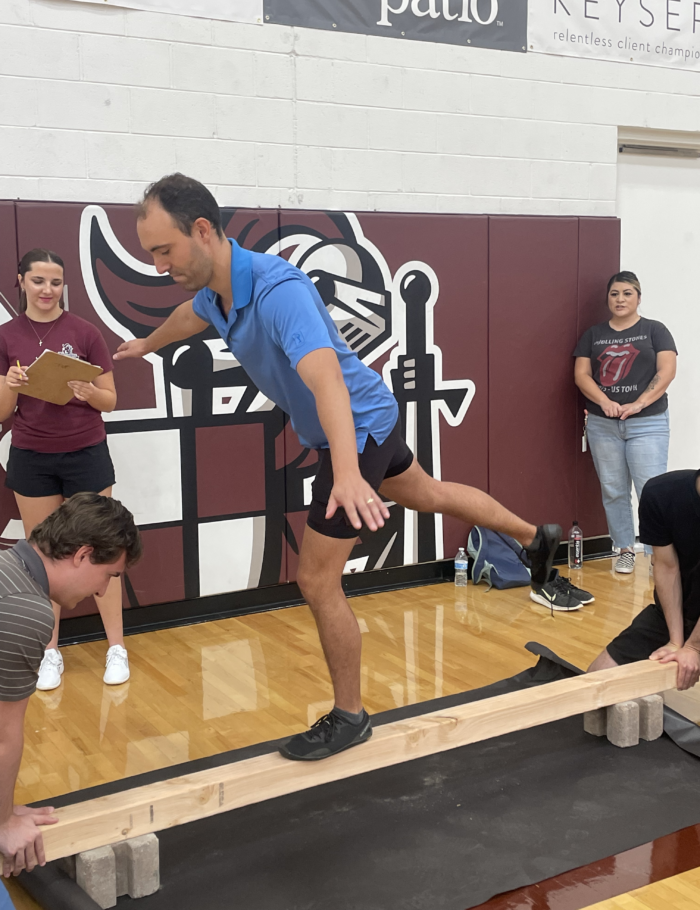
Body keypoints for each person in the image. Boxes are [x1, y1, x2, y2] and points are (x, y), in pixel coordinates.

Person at [114, 173, 565, 762]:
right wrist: (147, 344)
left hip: (354, 428)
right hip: (367, 419)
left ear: (202, 232)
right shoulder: (216, 293)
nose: (157, 264)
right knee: (427, 493)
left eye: (163, 250)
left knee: (317, 580)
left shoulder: (279, 291)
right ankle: (537, 539)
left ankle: (350, 715)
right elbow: (189, 317)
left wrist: (348, 472)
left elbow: (325, 377)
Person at [0, 249, 129, 690]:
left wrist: (87, 391)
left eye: (55, 282)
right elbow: (2, 410)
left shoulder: (84, 331)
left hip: (85, 452)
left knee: (101, 549)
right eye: (38, 281)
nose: (47, 290)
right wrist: (9, 386)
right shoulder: (6, 336)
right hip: (31, 456)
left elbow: (110, 400)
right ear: (21, 281)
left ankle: (116, 647)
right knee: (43, 556)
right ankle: (49, 651)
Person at [0, 493, 142, 883]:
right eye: (109, 575)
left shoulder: (8, 565)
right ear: (82, 554)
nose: (101, 592)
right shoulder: (27, 610)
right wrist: (4, 822)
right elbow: (3, 738)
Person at [574, 271, 677, 575]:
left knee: (651, 490)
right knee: (614, 489)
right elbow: (581, 375)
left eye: (627, 293)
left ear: (638, 297)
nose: (620, 299)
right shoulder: (593, 334)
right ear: (608, 299)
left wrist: (639, 403)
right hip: (602, 425)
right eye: (615, 294)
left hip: (648, 423)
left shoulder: (654, 330)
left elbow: (667, 370)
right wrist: (605, 402)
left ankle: (659, 553)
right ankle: (625, 549)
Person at [588, 469, 700, 692]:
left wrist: (694, 648)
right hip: (677, 611)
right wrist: (676, 642)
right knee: (596, 681)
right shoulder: (662, 493)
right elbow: (667, 567)